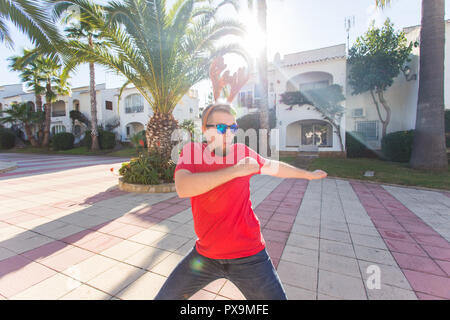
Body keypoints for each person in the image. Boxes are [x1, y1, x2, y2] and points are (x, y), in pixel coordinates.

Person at [154, 103, 327, 300]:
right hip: (205, 256)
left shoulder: (243, 152)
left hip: (250, 256)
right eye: (221, 128)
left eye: (233, 128)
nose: (228, 133)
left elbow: (274, 166)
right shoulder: (192, 152)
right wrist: (235, 171)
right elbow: (183, 187)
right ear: (204, 129)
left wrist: (307, 174)